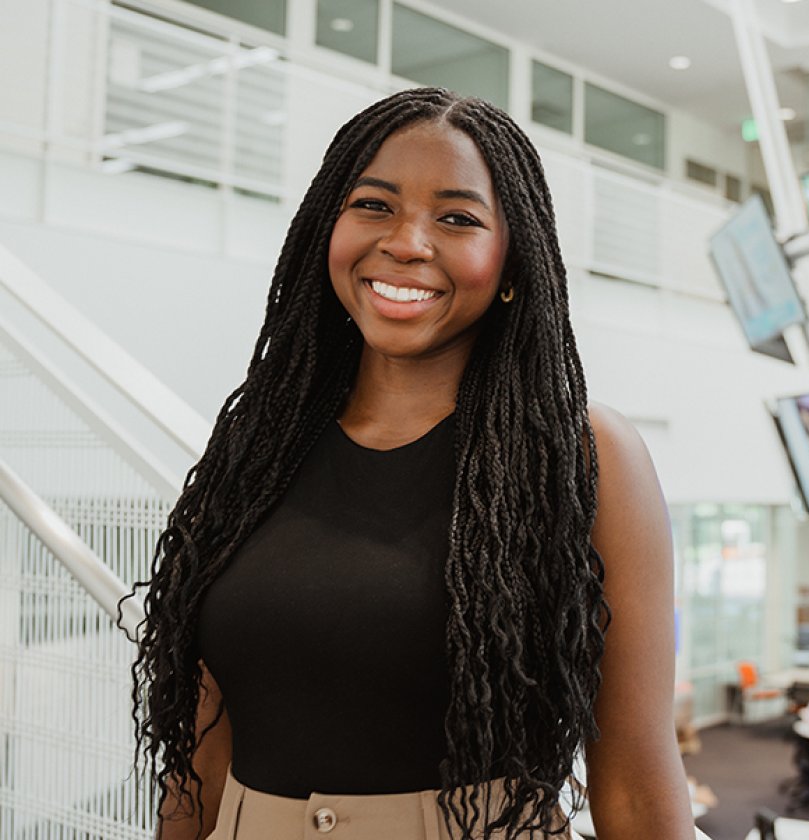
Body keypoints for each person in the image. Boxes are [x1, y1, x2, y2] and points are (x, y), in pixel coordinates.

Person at [130, 88, 696, 840]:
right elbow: (201, 762)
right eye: (374, 205)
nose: (407, 242)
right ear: (324, 230)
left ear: (513, 262)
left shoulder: (584, 457)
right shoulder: (253, 453)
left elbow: (633, 788)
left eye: (457, 218)